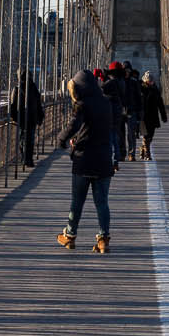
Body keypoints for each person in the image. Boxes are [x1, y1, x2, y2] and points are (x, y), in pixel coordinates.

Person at [56, 69, 114, 253]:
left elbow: (74, 125)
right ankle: (103, 239)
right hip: (104, 159)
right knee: (102, 202)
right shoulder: (106, 102)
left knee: (77, 201)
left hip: (84, 160)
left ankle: (69, 236)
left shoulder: (82, 104)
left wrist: (61, 139)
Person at [8, 70, 44, 167]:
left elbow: (12, 105)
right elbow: (38, 104)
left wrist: (14, 117)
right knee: (30, 138)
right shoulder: (34, 88)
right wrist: (40, 117)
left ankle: (24, 158)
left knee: (22, 138)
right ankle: (28, 159)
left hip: (22, 118)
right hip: (32, 118)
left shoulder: (17, 89)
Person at [98, 62, 126, 166]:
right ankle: (116, 158)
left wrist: (101, 78)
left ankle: (112, 158)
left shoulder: (112, 82)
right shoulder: (122, 81)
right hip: (118, 110)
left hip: (111, 110)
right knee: (115, 134)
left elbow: (101, 89)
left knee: (110, 135)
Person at [138, 70, 168, 160]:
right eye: (149, 80)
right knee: (145, 135)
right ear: (146, 80)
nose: (151, 82)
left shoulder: (155, 90)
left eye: (152, 80)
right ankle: (148, 154)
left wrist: (163, 116)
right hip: (143, 116)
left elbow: (160, 103)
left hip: (153, 116)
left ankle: (143, 149)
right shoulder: (141, 88)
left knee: (151, 135)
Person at [121, 61, 143, 161]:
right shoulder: (119, 81)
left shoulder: (134, 82)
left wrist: (140, 112)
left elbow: (139, 98)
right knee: (120, 134)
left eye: (128, 70)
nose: (126, 72)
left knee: (131, 134)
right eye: (124, 70)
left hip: (131, 111)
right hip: (120, 111)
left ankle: (131, 154)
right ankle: (122, 153)